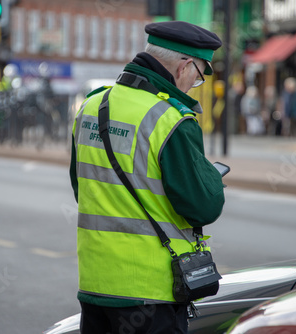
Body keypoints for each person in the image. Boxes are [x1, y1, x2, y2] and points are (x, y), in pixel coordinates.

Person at [69, 21, 226, 334]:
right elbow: (203, 207)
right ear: (185, 66)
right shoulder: (171, 120)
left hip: (96, 284)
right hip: (151, 292)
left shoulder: (91, 106)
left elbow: (82, 188)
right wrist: (212, 180)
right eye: (198, 76)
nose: (195, 84)